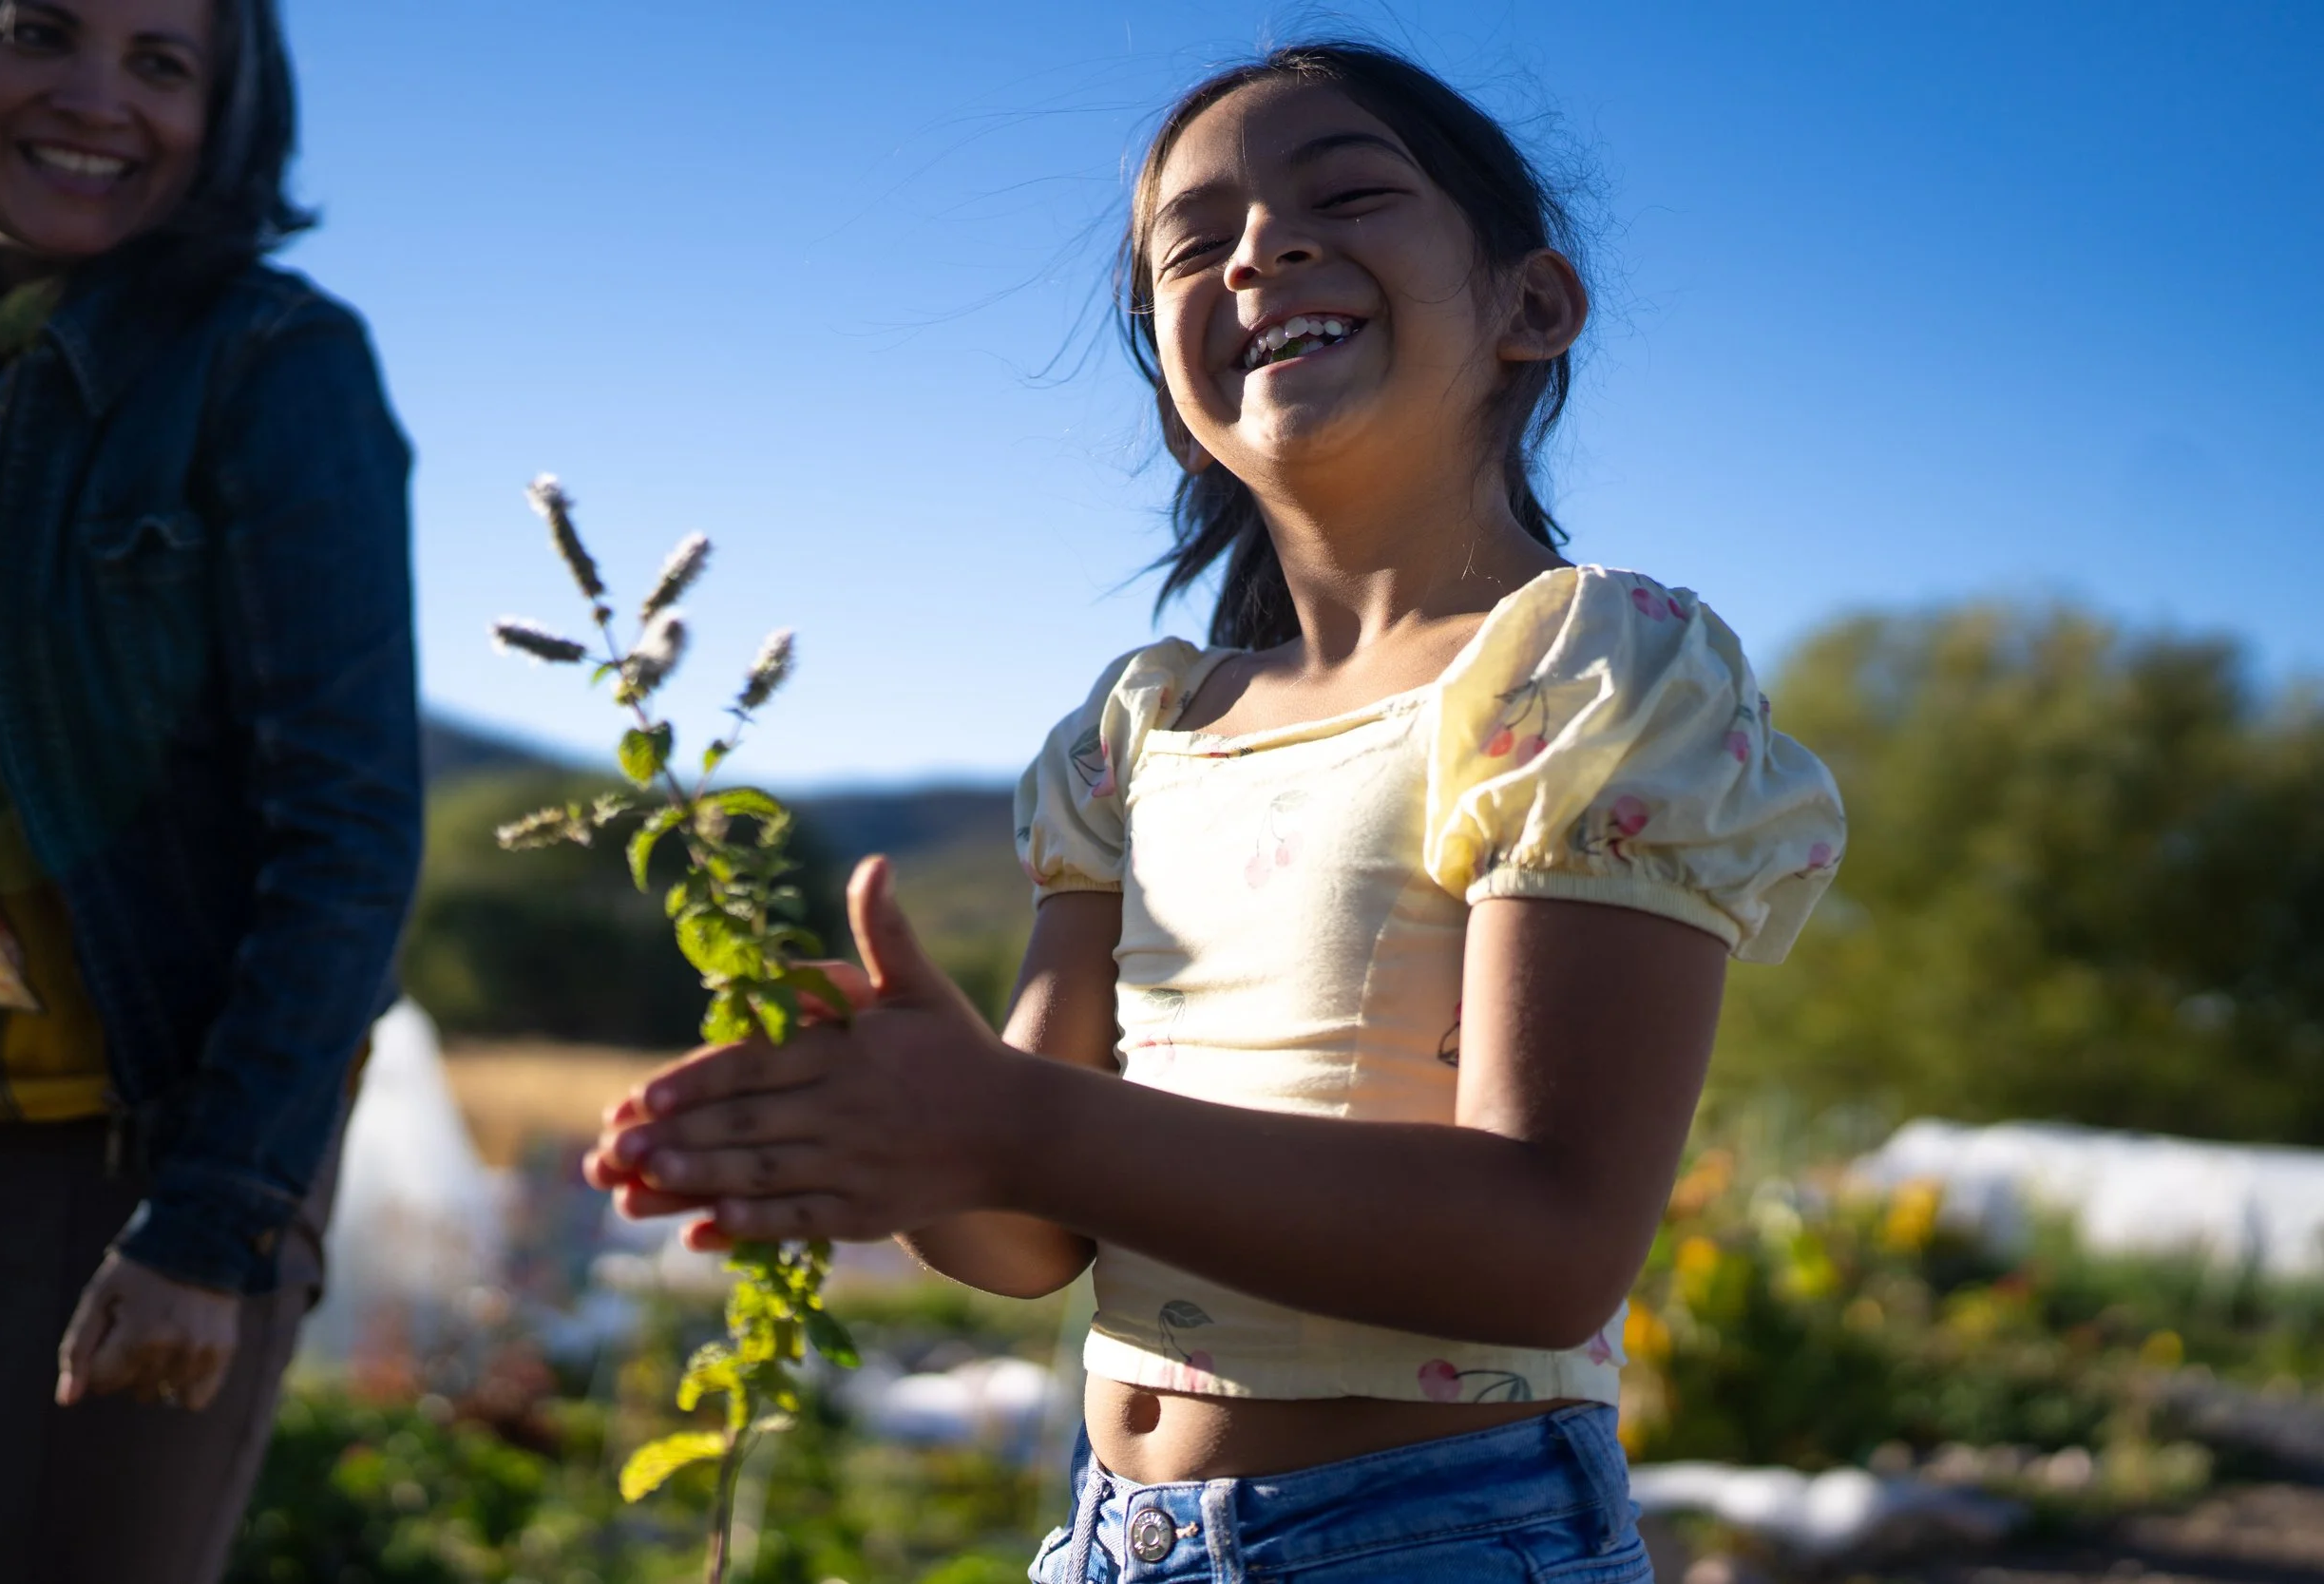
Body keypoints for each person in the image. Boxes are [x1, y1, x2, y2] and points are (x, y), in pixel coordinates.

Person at [590, 41, 1844, 1583]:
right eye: (1194, 245)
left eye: (1348, 196)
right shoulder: (1142, 732)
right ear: (1179, 394)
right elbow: (1030, 1236)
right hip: (1105, 1536)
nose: (1258, 251)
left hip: (1437, 1538)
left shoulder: (1585, 671)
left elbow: (1551, 1241)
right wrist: (900, 1132)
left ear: (1532, 305)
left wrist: (1005, 1120)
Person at [0, 0, 419, 1577]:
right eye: (38, 30)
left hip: (132, 1146)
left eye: (161, 62)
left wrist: (212, 1218)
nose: (95, 97)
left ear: (226, 110)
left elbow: (345, 834)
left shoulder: (269, 362)